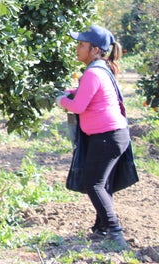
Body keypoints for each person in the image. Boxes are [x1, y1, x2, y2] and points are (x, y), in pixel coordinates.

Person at [56, 24, 130, 248]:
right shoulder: (100, 69)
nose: (78, 49)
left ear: (95, 49)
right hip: (114, 135)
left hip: (106, 136)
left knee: (94, 184)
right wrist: (70, 93)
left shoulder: (93, 72)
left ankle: (115, 232)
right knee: (102, 183)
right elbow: (87, 96)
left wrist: (60, 100)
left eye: (81, 45)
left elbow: (78, 106)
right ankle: (101, 229)